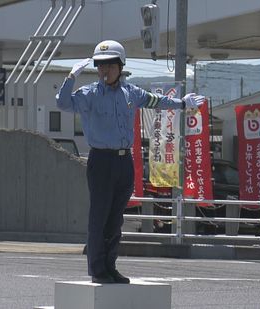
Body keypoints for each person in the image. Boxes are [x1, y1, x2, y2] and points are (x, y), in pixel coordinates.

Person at [56, 40, 204, 284]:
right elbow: (62, 102)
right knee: (99, 217)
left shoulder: (130, 93)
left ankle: (111, 266)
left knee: (116, 219)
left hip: (125, 162)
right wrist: (72, 76)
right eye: (100, 66)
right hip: (101, 161)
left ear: (120, 66)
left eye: (110, 65)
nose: (105, 71)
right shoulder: (89, 94)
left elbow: (155, 101)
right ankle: (97, 269)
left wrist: (182, 104)